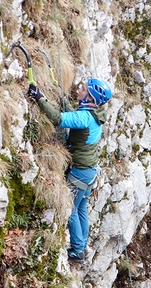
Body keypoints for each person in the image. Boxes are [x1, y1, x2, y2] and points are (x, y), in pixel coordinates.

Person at [28, 78, 112, 262]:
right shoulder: (95, 114)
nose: (79, 90)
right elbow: (76, 117)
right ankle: (82, 247)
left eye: (83, 90)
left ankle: (77, 250)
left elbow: (58, 119)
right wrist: (64, 101)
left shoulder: (85, 117)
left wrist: (40, 98)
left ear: (90, 97)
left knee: (71, 209)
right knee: (81, 208)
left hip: (80, 172)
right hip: (90, 172)